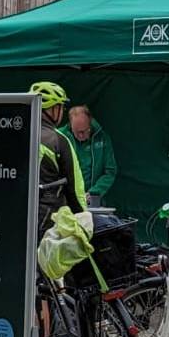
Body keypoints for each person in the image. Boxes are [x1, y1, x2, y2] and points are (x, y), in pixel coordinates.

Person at [29, 82, 86, 234]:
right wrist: (83, 221)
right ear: (54, 109)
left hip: (15, 215)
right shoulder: (58, 140)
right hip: (47, 220)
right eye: (61, 107)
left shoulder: (13, 132)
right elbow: (75, 188)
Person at [60, 105, 118, 208]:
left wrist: (95, 192)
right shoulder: (60, 137)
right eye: (77, 132)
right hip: (66, 200)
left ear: (90, 122)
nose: (81, 135)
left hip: (93, 200)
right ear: (70, 124)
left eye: (84, 131)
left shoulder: (103, 138)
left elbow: (110, 171)